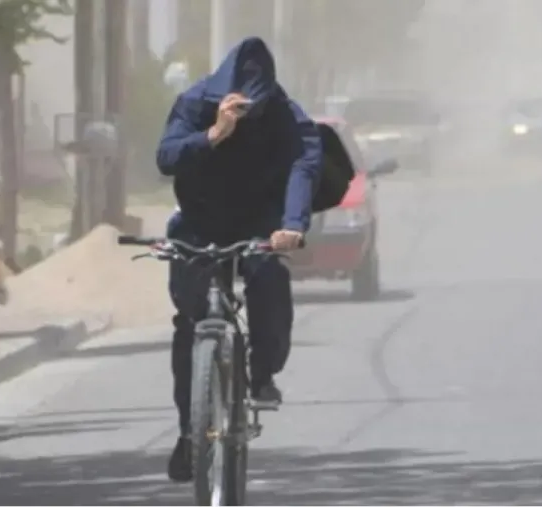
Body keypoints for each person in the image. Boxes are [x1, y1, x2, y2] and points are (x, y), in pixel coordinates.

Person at [155, 36, 324, 483]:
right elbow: (166, 157)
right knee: (189, 321)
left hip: (258, 221)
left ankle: (263, 370)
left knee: (269, 279)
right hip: (200, 219)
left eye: (255, 106)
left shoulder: (286, 115)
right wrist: (213, 134)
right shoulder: (194, 102)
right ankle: (190, 432)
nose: (247, 113)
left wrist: (292, 225)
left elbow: (304, 165)